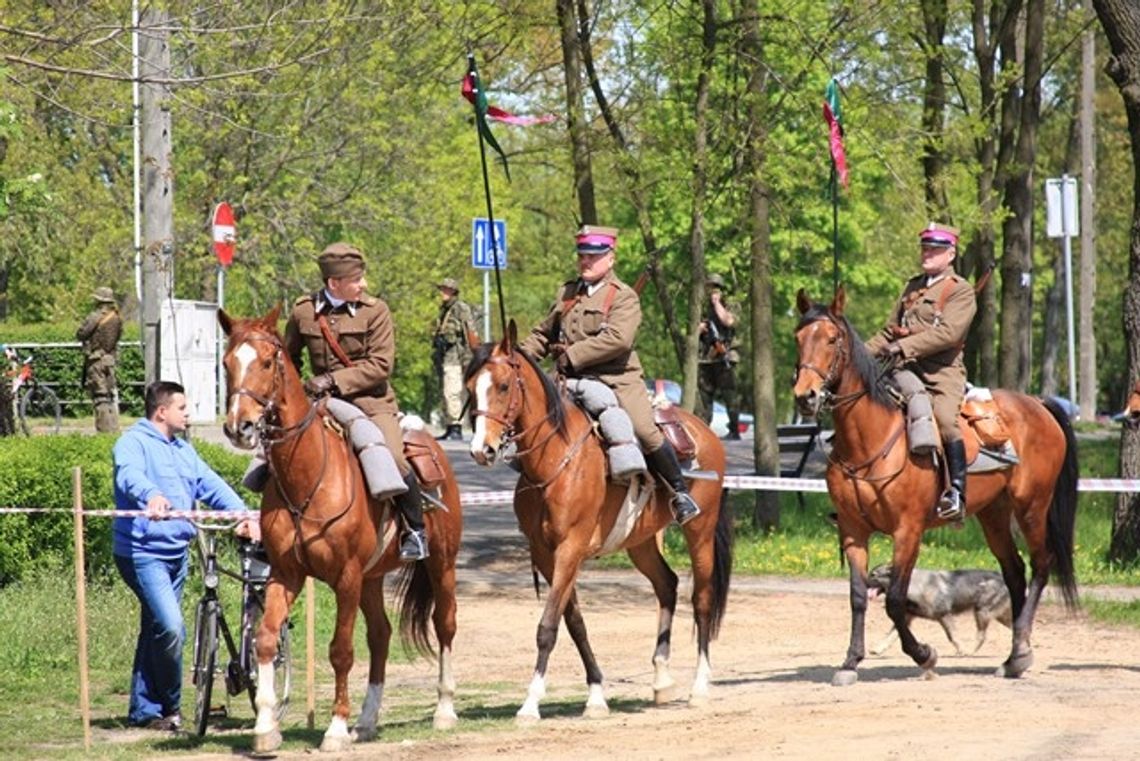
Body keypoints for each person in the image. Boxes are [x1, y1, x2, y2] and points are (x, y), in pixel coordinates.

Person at [518, 225, 701, 525]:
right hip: (566, 379)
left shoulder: (623, 297)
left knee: (643, 428)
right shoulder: (567, 292)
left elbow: (618, 339)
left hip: (615, 378)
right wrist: (517, 358)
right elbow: (543, 333)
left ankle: (679, 493)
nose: (586, 261)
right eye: (582, 256)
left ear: (610, 258)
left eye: (593, 256)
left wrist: (572, 355)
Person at [112, 380, 254, 731]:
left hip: (177, 551)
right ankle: (170, 708)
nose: (188, 414)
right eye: (183, 408)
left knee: (157, 628)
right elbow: (128, 475)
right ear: (162, 411)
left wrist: (243, 514)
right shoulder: (132, 443)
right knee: (172, 627)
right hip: (143, 553)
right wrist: (151, 496)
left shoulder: (182, 450)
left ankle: (145, 710)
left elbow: (210, 484)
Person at [283, 242, 428, 561]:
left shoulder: (375, 311)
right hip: (320, 403)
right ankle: (272, 534)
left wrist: (333, 380)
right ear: (334, 283)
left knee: (392, 456)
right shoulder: (304, 311)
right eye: (356, 280)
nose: (363, 285)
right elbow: (288, 357)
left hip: (371, 402)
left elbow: (381, 366)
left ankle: (415, 530)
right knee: (276, 454)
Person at [865, 223, 977, 521]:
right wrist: (859, 356)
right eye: (925, 248)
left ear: (950, 253)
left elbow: (949, 335)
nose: (926, 253)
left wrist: (903, 347)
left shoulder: (959, 290)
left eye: (934, 249)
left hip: (942, 372)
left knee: (944, 420)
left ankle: (955, 491)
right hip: (903, 369)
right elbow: (891, 331)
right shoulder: (912, 286)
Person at [432, 277, 479, 441]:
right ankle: (450, 425)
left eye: (445, 289)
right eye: (442, 289)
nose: (442, 292)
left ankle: (456, 427)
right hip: (446, 357)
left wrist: (469, 359)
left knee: (452, 392)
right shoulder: (445, 310)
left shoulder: (460, 308)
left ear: (453, 291)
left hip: (456, 358)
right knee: (447, 393)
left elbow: (470, 333)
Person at [698, 273, 742, 440]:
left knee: (729, 394)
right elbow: (692, 331)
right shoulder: (702, 307)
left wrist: (717, 304)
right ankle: (705, 430)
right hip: (706, 357)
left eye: (715, 288)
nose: (712, 291)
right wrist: (700, 328)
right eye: (709, 287)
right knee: (705, 396)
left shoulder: (730, 304)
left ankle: (734, 430)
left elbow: (729, 321)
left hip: (725, 355)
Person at [76, 286, 123, 432]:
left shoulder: (95, 316)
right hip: (110, 360)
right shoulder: (117, 318)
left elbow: (81, 334)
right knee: (109, 396)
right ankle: (114, 429)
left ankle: (104, 431)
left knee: (99, 397)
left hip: (96, 361)